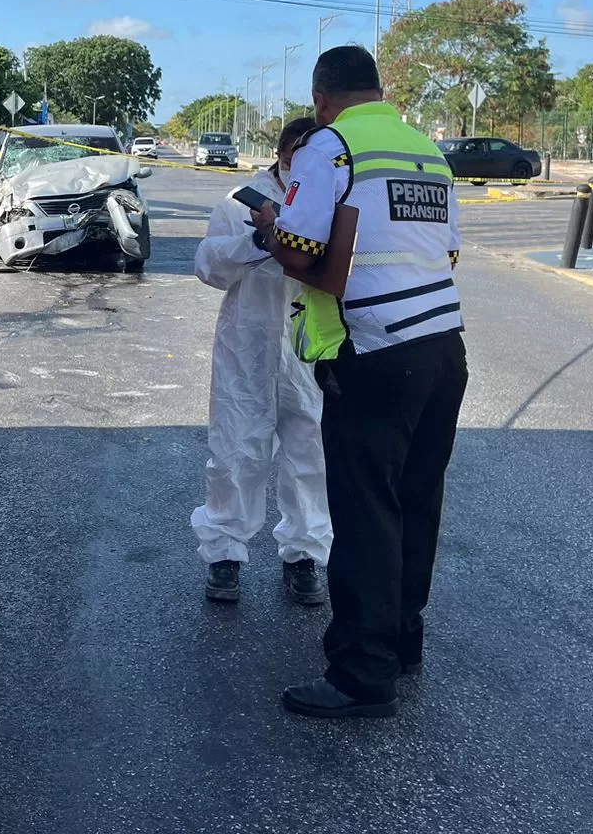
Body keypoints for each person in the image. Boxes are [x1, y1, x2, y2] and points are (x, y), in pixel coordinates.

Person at [251, 45, 468, 720]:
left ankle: (360, 675)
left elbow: (304, 250)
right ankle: (402, 641)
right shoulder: (423, 149)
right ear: (378, 89)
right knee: (414, 499)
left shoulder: (330, 147)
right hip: (443, 348)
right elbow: (449, 249)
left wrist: (268, 229)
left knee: (367, 510)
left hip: (373, 351)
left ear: (321, 99)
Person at [191, 118, 333, 605]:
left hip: (307, 348)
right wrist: (257, 241)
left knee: (310, 455)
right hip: (247, 346)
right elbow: (207, 266)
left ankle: (303, 555)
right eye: (299, 153)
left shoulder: (329, 199)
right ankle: (225, 554)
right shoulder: (240, 201)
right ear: (282, 152)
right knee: (235, 450)